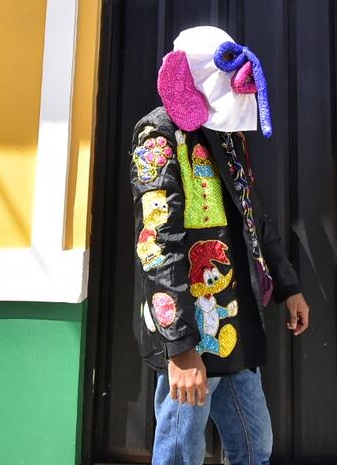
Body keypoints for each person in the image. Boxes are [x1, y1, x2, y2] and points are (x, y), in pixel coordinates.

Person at [130, 25, 311, 465]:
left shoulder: (227, 135)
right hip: (191, 336)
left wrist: (288, 286)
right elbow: (158, 246)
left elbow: (253, 215)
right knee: (179, 454)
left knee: (255, 449)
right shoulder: (157, 137)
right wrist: (181, 348)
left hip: (237, 326)